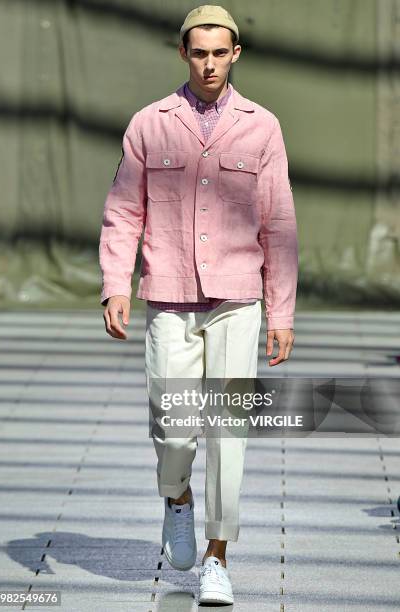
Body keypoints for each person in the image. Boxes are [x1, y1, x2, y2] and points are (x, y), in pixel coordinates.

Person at [99, 4, 298, 605]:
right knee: (174, 427)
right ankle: (177, 499)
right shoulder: (149, 124)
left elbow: (279, 220)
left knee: (229, 432)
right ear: (183, 53)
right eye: (199, 52)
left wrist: (281, 311)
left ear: (235, 54)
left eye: (220, 52)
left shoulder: (262, 126)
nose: (209, 63)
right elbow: (122, 209)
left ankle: (218, 557)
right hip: (169, 296)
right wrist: (114, 282)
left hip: (238, 299)